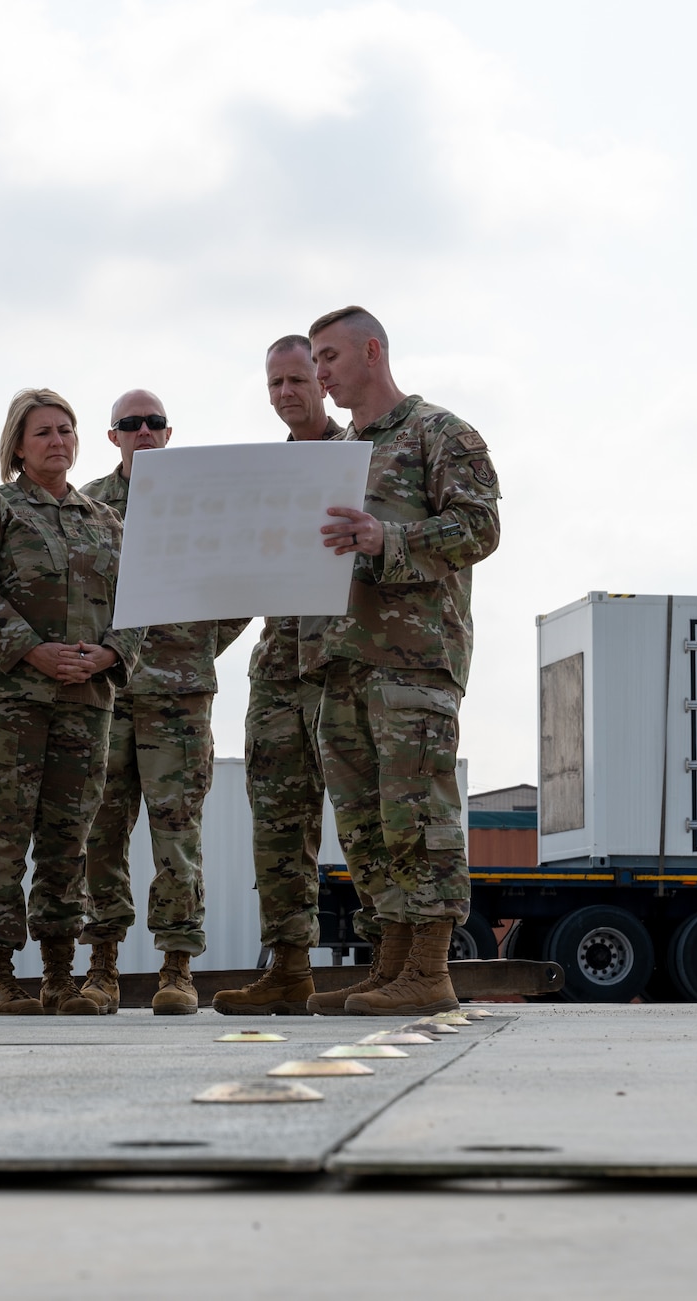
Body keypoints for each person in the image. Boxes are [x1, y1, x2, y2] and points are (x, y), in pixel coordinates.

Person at [300, 306, 502, 1016]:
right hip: (344, 662)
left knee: (418, 817)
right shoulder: (339, 452)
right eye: (314, 360)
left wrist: (387, 537)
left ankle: (428, 969)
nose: (318, 372)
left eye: (328, 356)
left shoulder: (439, 434)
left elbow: (480, 526)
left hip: (412, 663)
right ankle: (390, 965)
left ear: (372, 351)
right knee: (364, 826)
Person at [0, 389, 145, 1015]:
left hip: (85, 702)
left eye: (66, 430)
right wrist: (31, 650)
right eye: (43, 432)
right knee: (4, 837)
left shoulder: (107, 521)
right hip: (9, 700)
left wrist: (111, 654)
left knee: (69, 840)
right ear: (18, 444)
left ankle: (59, 976)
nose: (58, 442)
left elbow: (138, 603)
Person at [79, 391, 249, 1015]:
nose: (143, 431)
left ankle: (177, 969)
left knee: (177, 835)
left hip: (178, 695)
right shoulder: (89, 505)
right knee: (101, 832)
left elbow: (240, 583)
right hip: (109, 691)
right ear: (113, 436)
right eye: (131, 424)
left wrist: (198, 646)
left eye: (153, 423)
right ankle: (101, 968)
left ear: (168, 433)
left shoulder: (202, 503)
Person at [213, 336, 347, 1015]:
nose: (288, 392)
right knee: (277, 826)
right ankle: (289, 969)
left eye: (298, 378)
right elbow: (239, 573)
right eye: (275, 384)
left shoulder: (362, 460)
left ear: (323, 381)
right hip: (277, 669)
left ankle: (392, 965)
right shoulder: (261, 475)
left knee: (368, 822)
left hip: (346, 665)